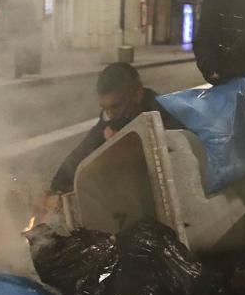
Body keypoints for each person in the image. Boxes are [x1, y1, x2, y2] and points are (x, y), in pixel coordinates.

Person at [44, 63, 182, 199]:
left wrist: (126, 150)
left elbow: (176, 162)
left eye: (115, 106)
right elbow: (85, 150)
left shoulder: (162, 116)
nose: (109, 114)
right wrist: (56, 188)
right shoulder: (112, 116)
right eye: (104, 107)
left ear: (137, 95)